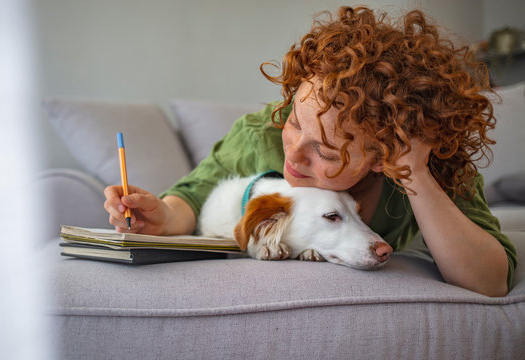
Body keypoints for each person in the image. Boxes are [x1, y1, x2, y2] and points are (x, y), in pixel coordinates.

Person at [103, 6, 516, 297]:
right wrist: (162, 217)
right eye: (297, 123)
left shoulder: (424, 165)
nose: (294, 156)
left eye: (327, 151)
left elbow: (490, 280)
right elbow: (192, 197)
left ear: (382, 157)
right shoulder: (262, 134)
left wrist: (415, 173)